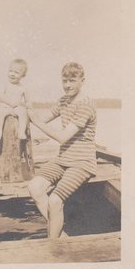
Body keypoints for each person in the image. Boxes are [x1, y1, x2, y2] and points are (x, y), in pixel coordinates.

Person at [27, 62, 97, 239]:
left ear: (82, 80)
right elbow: (43, 118)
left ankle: (53, 244)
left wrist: (37, 122)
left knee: (55, 200)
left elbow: (62, 137)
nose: (67, 85)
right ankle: (60, 235)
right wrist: (26, 110)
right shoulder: (63, 100)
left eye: (72, 80)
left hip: (82, 163)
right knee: (34, 186)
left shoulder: (86, 105)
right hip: (63, 159)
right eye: (64, 80)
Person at [0, 58, 31, 140]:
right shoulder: (6, 85)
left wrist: (26, 106)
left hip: (16, 109)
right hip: (4, 107)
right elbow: (0, 95)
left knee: (23, 113)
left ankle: (21, 132)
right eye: (10, 71)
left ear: (23, 75)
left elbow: (28, 101)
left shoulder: (22, 88)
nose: (12, 74)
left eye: (16, 72)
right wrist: (10, 102)